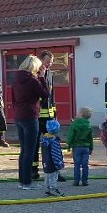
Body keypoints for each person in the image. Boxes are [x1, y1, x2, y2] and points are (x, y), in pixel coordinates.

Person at [10, 55, 49, 190]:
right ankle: (27, 182)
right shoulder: (32, 80)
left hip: (19, 117)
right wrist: (42, 77)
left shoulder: (15, 80)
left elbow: (13, 99)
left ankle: (22, 181)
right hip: (31, 116)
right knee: (30, 151)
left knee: (23, 150)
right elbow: (45, 94)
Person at [34, 50, 64, 181]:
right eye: (47, 62)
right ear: (40, 61)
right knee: (35, 145)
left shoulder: (49, 74)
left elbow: (51, 96)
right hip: (37, 117)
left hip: (50, 117)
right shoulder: (34, 75)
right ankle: (33, 171)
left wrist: (55, 113)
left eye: (50, 63)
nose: (49, 65)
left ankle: (55, 172)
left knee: (53, 144)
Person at [67, 106, 94, 186]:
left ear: (81, 114)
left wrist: (68, 145)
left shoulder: (74, 124)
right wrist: (91, 148)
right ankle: (85, 181)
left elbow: (70, 135)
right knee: (85, 165)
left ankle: (76, 180)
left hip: (76, 147)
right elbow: (90, 138)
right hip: (86, 147)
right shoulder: (88, 125)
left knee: (77, 164)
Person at [40, 120, 65, 197]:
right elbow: (56, 154)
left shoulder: (44, 139)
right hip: (52, 163)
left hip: (45, 162)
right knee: (53, 177)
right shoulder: (54, 141)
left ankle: (47, 190)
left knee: (47, 176)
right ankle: (53, 189)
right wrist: (59, 164)